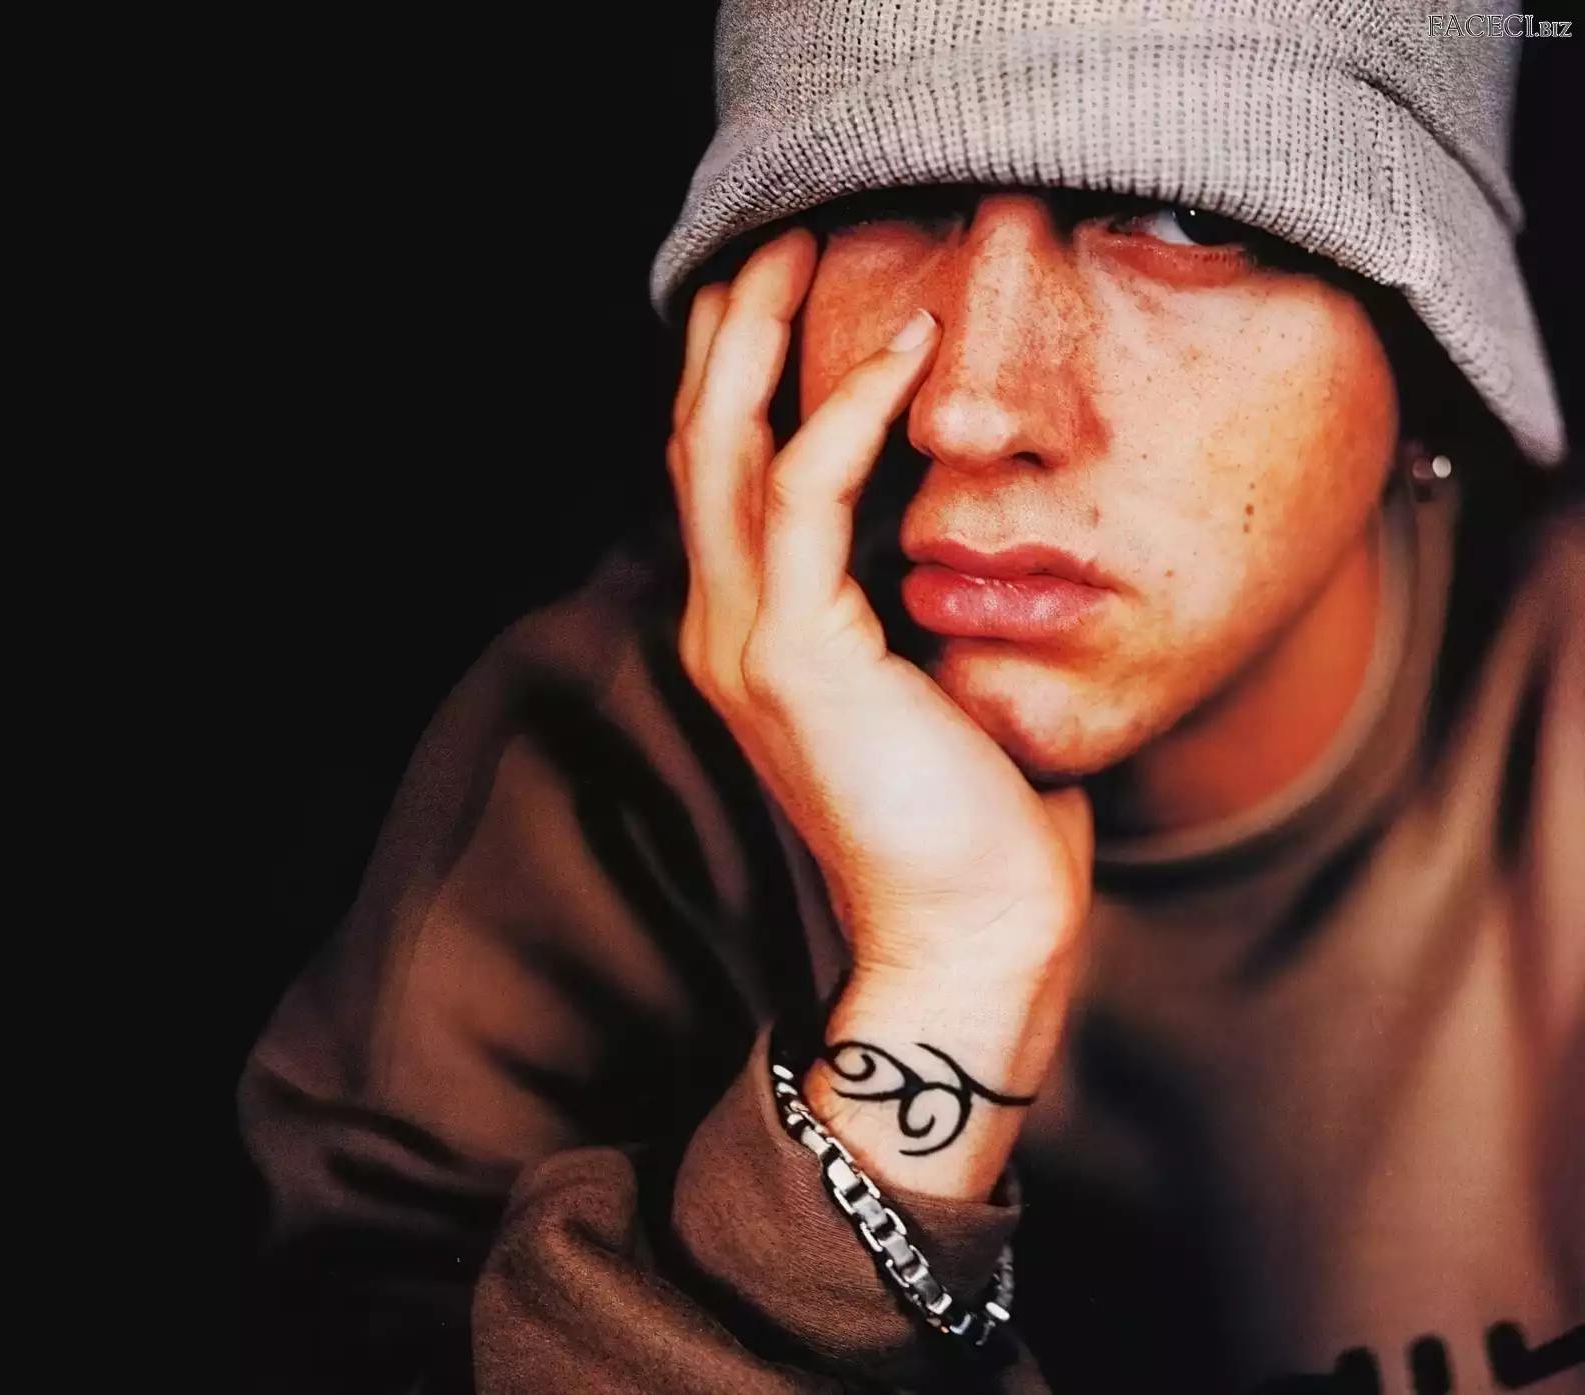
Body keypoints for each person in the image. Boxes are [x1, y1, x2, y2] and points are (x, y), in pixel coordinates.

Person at [240, 3, 1581, 1391]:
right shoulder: (600, 781)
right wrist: (946, 983)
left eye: (1185, 220)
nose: (970, 408)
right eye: (890, 198)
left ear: (1434, 351)